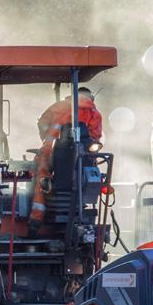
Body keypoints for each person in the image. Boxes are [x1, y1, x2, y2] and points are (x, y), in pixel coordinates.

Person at [29, 87, 102, 231]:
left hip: (51, 150)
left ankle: (36, 219)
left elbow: (42, 122)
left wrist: (47, 138)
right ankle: (80, 211)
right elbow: (95, 136)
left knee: (41, 179)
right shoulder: (94, 112)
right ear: (91, 97)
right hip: (81, 156)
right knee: (88, 180)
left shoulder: (59, 106)